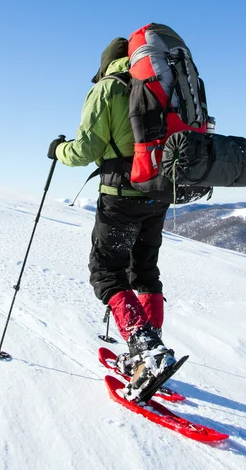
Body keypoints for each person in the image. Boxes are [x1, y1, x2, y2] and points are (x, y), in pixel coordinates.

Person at [48, 37, 178, 401]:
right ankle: (150, 352)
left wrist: (58, 149)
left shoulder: (109, 88)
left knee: (106, 272)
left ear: (106, 65)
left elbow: (84, 149)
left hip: (122, 196)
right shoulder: (163, 85)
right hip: (160, 194)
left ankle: (147, 353)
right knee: (145, 272)